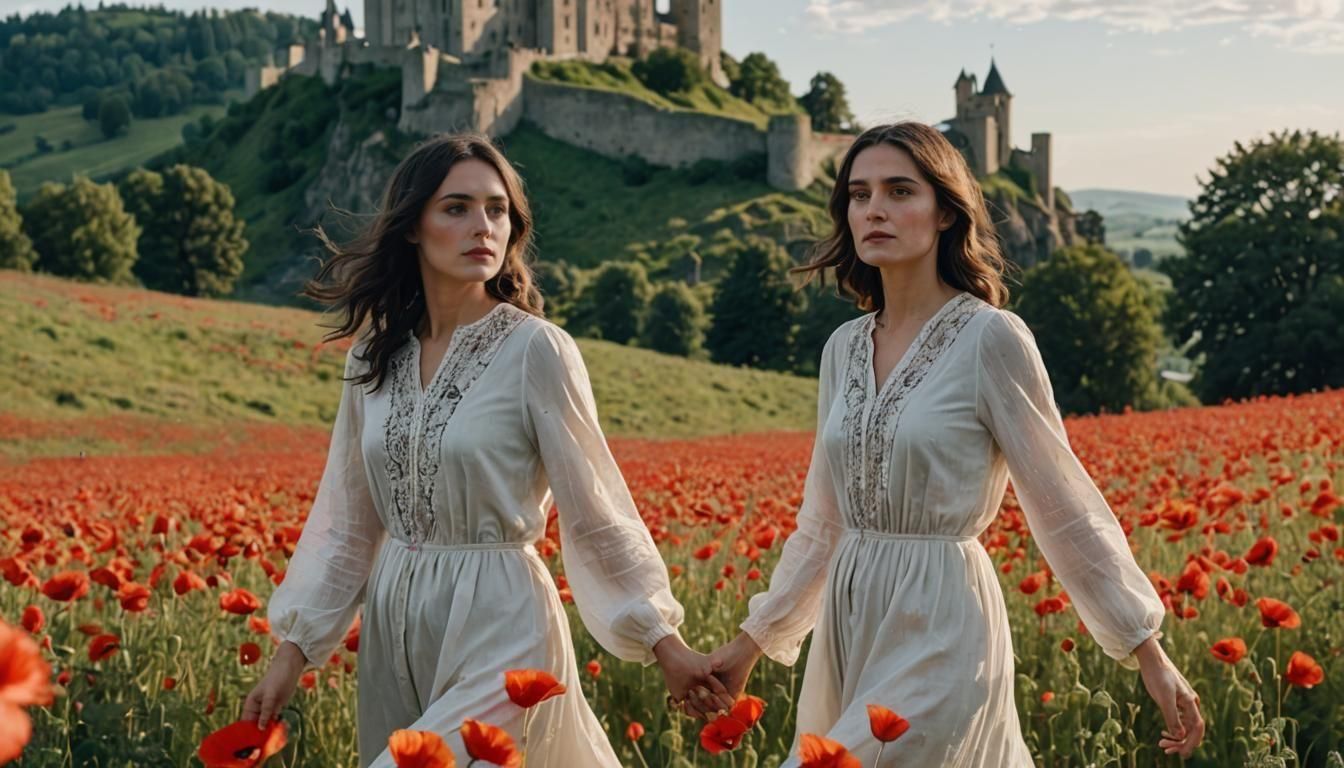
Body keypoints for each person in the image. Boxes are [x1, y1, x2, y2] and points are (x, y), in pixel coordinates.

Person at [702, 122, 1205, 765]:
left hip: (943, 621)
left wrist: (1147, 651)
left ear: (944, 211)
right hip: (852, 626)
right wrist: (752, 645)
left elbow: (1063, 504)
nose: (875, 209)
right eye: (859, 194)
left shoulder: (991, 339)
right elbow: (825, 524)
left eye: (899, 190)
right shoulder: (842, 350)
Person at [241, 133, 730, 767]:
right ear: (413, 226)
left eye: (497, 210)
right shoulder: (373, 357)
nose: (483, 226)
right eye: (457, 208)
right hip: (397, 625)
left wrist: (665, 643)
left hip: (503, 615)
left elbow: (597, 511)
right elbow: (346, 524)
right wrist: (291, 656)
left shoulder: (537, 350)